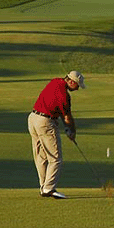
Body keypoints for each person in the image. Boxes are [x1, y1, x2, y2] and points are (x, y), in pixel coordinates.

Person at [28, 70, 85, 199]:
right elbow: (67, 117)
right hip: (45, 122)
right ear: (71, 82)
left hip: (33, 118)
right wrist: (72, 131)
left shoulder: (55, 81)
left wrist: (67, 129)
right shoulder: (64, 95)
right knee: (56, 158)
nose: (77, 89)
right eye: (77, 85)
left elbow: (60, 112)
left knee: (41, 157)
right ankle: (48, 188)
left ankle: (44, 187)